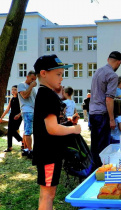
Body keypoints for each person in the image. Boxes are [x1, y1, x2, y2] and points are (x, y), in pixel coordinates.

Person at [32, 54, 81, 210]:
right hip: (48, 155)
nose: (61, 78)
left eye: (62, 74)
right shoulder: (47, 95)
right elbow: (52, 128)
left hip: (50, 154)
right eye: (58, 74)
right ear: (44, 73)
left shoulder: (47, 94)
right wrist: (74, 129)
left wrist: (67, 122)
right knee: (48, 194)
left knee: (49, 193)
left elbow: (53, 121)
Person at [89, 51, 121, 169]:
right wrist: (112, 119)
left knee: (94, 146)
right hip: (102, 114)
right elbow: (109, 99)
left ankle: (93, 170)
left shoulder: (98, 71)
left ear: (108, 59)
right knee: (103, 148)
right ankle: (102, 171)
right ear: (119, 62)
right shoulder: (112, 75)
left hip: (92, 112)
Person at [18, 70, 37, 158]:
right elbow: (25, 96)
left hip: (33, 110)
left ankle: (26, 148)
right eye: (32, 79)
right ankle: (30, 150)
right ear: (27, 77)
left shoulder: (32, 88)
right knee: (28, 131)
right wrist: (31, 86)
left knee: (28, 130)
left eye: (35, 79)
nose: (33, 81)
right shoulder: (22, 85)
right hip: (27, 110)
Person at [0, 85, 23, 152]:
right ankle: (9, 147)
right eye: (12, 89)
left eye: (15, 89)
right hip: (11, 116)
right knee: (10, 132)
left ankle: (23, 141)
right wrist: (1, 117)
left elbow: (23, 108)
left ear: (18, 90)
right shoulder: (11, 99)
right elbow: (7, 109)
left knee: (12, 131)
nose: (13, 91)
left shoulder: (21, 99)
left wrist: (19, 115)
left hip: (18, 117)